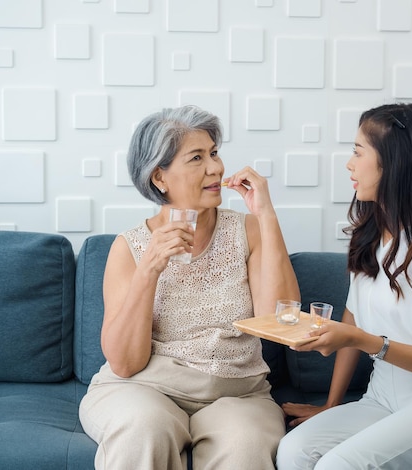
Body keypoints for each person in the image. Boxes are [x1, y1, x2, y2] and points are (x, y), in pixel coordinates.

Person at [276, 103, 412, 469]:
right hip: (385, 398)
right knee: (294, 451)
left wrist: (360, 340)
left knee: (339, 465)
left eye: (358, 151)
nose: (349, 164)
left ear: (392, 162)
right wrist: (331, 406)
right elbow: (351, 319)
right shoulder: (368, 236)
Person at [79, 105, 299, 470]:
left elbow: (279, 322)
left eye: (214, 153)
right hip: (143, 390)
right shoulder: (129, 247)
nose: (216, 167)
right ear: (159, 177)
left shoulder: (248, 230)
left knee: (244, 445)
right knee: (143, 428)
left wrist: (267, 215)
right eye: (197, 157)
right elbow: (125, 362)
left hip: (238, 395)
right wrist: (149, 269)